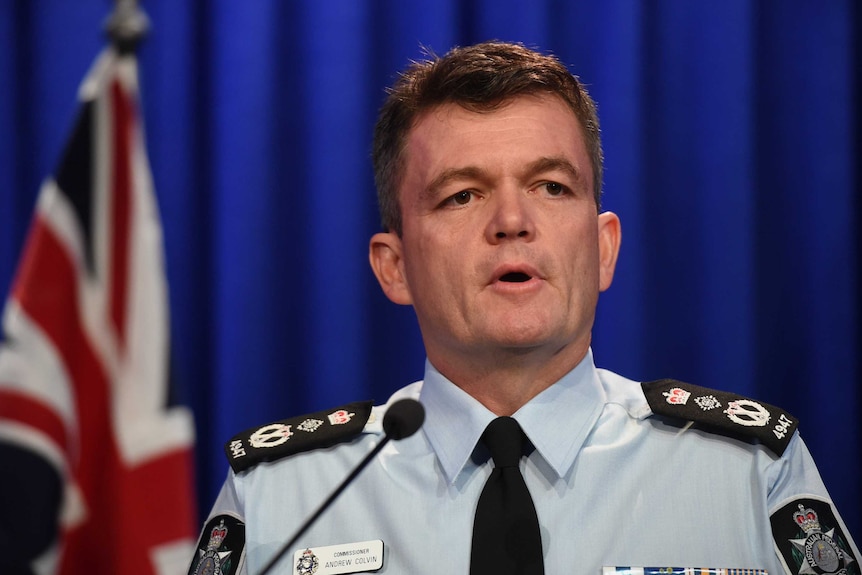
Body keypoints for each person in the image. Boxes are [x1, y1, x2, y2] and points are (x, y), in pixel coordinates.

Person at [189, 41, 859, 575]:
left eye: (551, 186)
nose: (512, 220)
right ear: (394, 266)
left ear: (603, 249)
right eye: (462, 195)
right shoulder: (281, 498)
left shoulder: (747, 473)